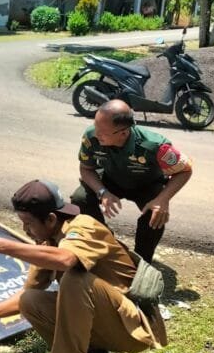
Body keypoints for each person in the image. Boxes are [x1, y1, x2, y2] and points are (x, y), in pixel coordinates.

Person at [0, 179, 167, 353]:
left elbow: (66, 260)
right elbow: (29, 292)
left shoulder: (84, 226)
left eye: (28, 223)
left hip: (132, 329)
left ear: (51, 219)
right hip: (109, 323)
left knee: (75, 279)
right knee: (30, 301)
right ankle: (93, 352)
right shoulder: (48, 243)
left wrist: (3, 246)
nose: (25, 230)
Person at [71, 100, 192, 262]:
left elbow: (185, 170)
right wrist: (103, 192)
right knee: (80, 198)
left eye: (103, 132)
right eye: (96, 127)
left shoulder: (154, 145)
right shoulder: (91, 136)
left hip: (146, 184)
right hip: (111, 179)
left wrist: (163, 200)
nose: (96, 134)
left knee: (155, 214)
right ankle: (106, 245)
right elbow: (86, 169)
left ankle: (141, 261)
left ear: (123, 132)